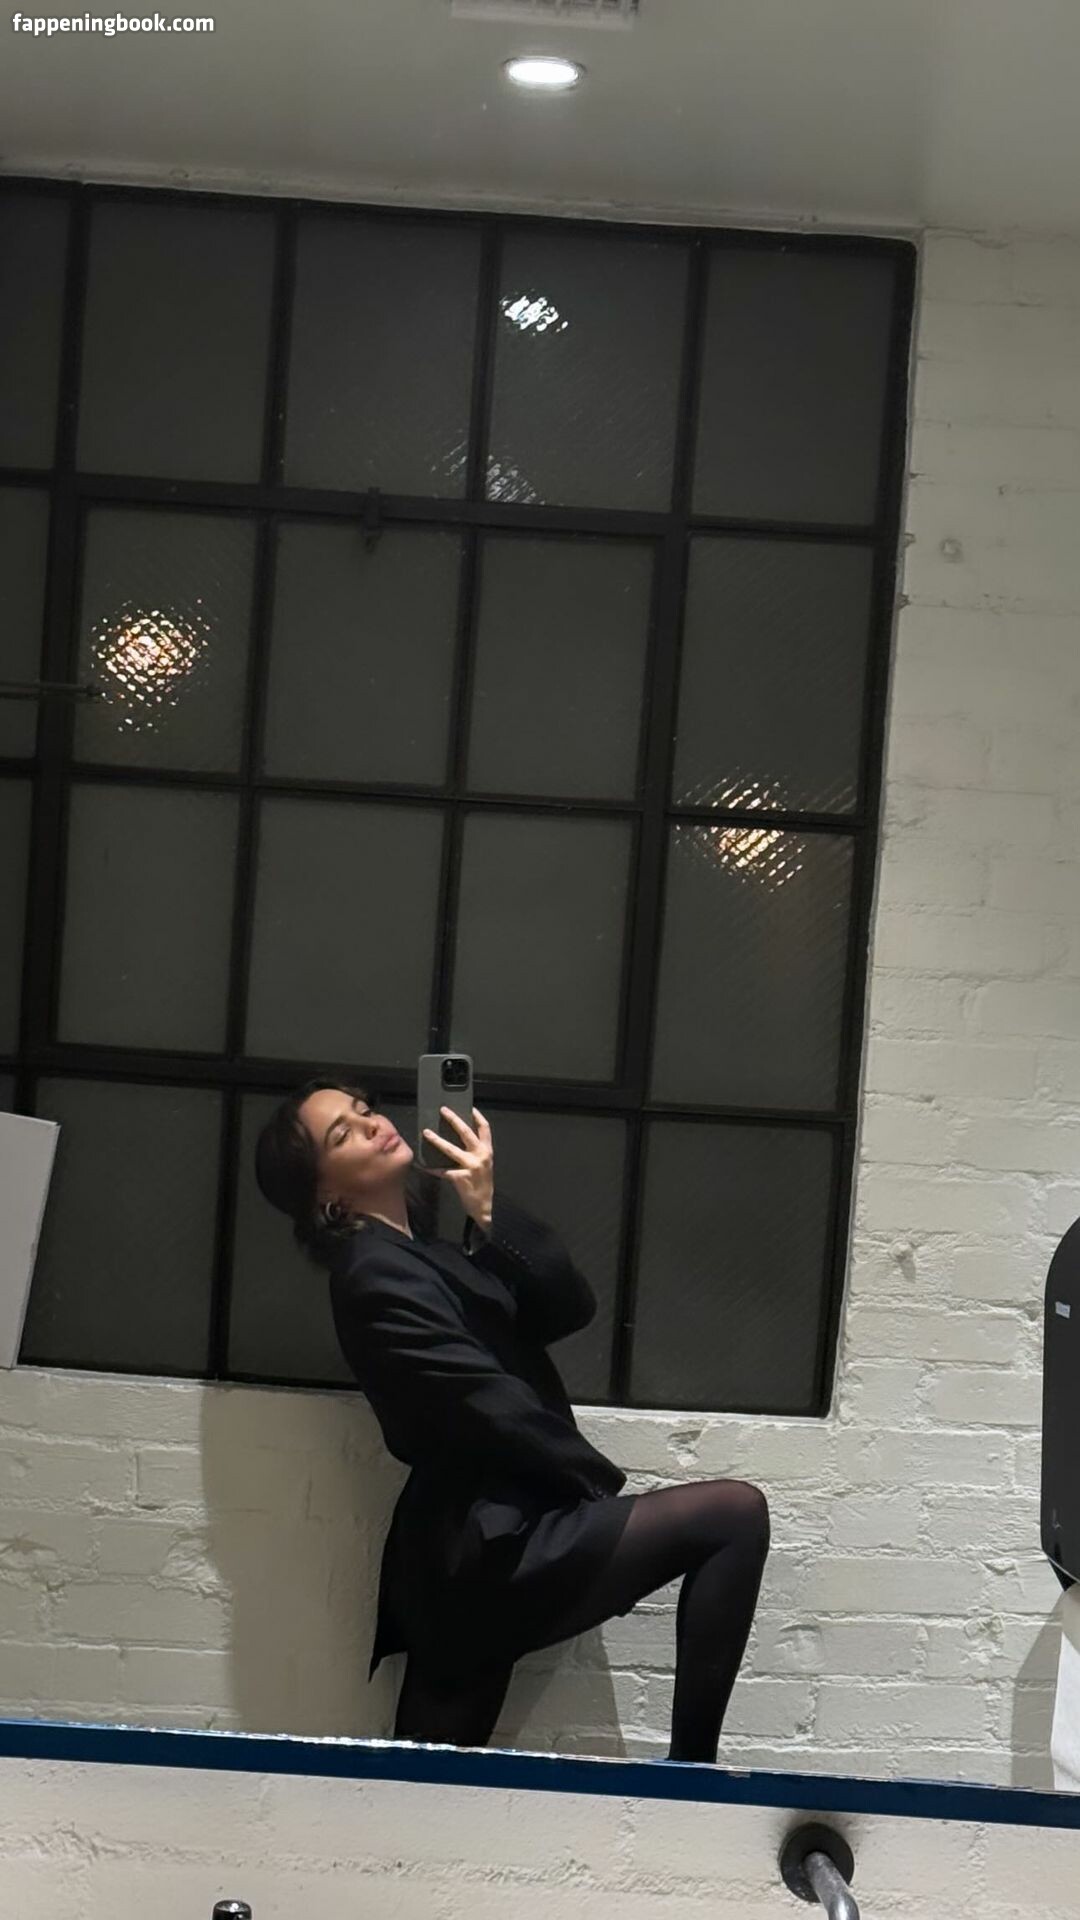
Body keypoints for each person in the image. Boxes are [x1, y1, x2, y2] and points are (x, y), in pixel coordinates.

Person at [254, 1074, 770, 1759]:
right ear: (327, 1197)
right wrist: (592, 1485)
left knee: (427, 1784)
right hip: (484, 1550)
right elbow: (483, 1400)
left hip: (485, 1547)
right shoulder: (370, 1272)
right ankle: (692, 1778)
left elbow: (567, 1307)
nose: (374, 1122)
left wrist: (490, 1209)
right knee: (734, 1516)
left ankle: (689, 1781)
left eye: (365, 1109)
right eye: (344, 1132)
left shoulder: (430, 1257)